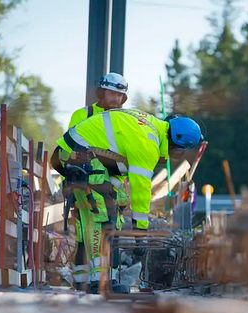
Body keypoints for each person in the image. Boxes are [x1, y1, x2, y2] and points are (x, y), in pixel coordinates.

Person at [51, 109, 203, 292]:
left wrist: (115, 195)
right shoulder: (148, 144)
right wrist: (140, 232)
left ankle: (82, 278)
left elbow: (116, 166)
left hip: (73, 154)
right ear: (177, 146)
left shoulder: (150, 127)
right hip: (80, 155)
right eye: (179, 152)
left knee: (91, 216)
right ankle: (101, 281)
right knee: (103, 216)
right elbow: (141, 192)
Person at [61, 72, 128, 287]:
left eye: (120, 96)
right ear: (102, 92)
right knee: (92, 230)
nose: (116, 99)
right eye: (112, 93)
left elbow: (126, 157)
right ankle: (94, 281)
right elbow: (69, 147)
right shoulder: (83, 115)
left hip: (112, 186)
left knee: (105, 231)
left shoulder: (123, 121)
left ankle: (93, 279)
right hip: (87, 184)